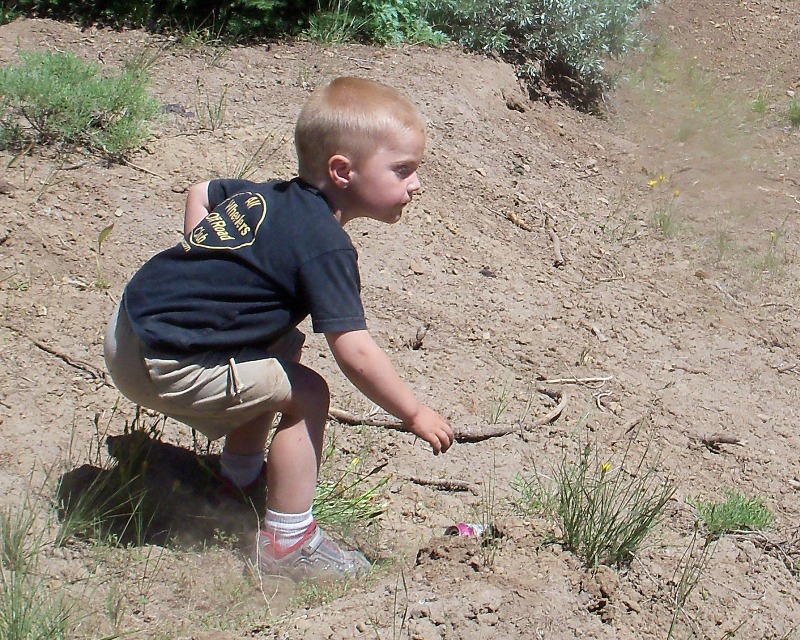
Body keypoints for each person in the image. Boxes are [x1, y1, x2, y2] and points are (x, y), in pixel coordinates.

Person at [103, 77, 455, 581]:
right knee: (308, 393)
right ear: (342, 170)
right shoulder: (325, 245)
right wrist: (414, 412)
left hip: (131, 327)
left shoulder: (272, 198)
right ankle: (290, 542)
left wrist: (206, 258)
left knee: (283, 345)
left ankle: (238, 481)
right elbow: (353, 350)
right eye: (402, 171)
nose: (415, 185)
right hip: (164, 361)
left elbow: (200, 191)